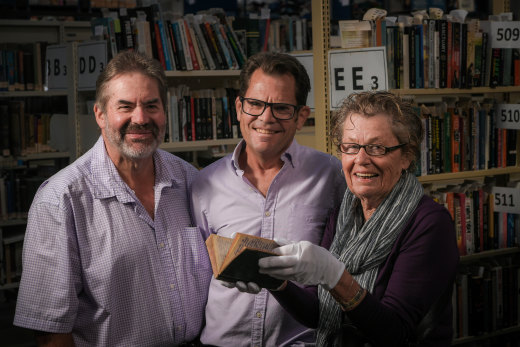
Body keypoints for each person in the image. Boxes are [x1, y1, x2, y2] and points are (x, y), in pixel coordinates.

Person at [14, 51, 211, 346]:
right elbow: (51, 332)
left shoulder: (190, 180)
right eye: (126, 106)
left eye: (151, 105)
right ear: (100, 115)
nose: (141, 118)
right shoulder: (60, 201)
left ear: (164, 112)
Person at [258, 91, 459, 346]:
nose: (361, 160)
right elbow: (317, 313)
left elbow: (393, 332)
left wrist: (335, 276)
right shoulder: (343, 213)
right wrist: (276, 281)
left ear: (406, 156)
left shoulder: (430, 223)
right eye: (351, 147)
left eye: (377, 148)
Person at [190, 51, 346, 346]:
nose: (266, 117)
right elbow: (198, 277)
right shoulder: (203, 183)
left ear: (302, 116)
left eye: (282, 108)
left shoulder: (332, 176)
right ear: (239, 107)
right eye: (255, 104)